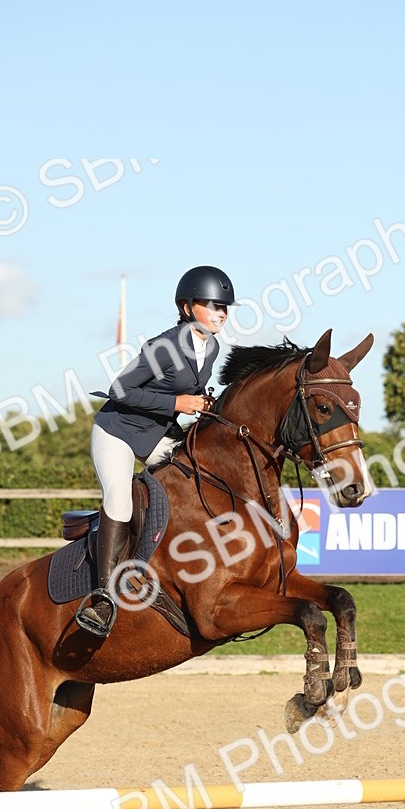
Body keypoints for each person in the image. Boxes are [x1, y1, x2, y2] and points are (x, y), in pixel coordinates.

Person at [75, 265, 235, 637]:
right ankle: (102, 597)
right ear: (187, 307)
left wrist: (201, 404)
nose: (221, 313)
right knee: (120, 501)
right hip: (117, 432)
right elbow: (120, 391)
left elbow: (186, 393)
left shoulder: (211, 348)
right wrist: (179, 403)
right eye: (212, 305)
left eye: (225, 307)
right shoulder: (164, 347)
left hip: (156, 434)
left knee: (195, 480)